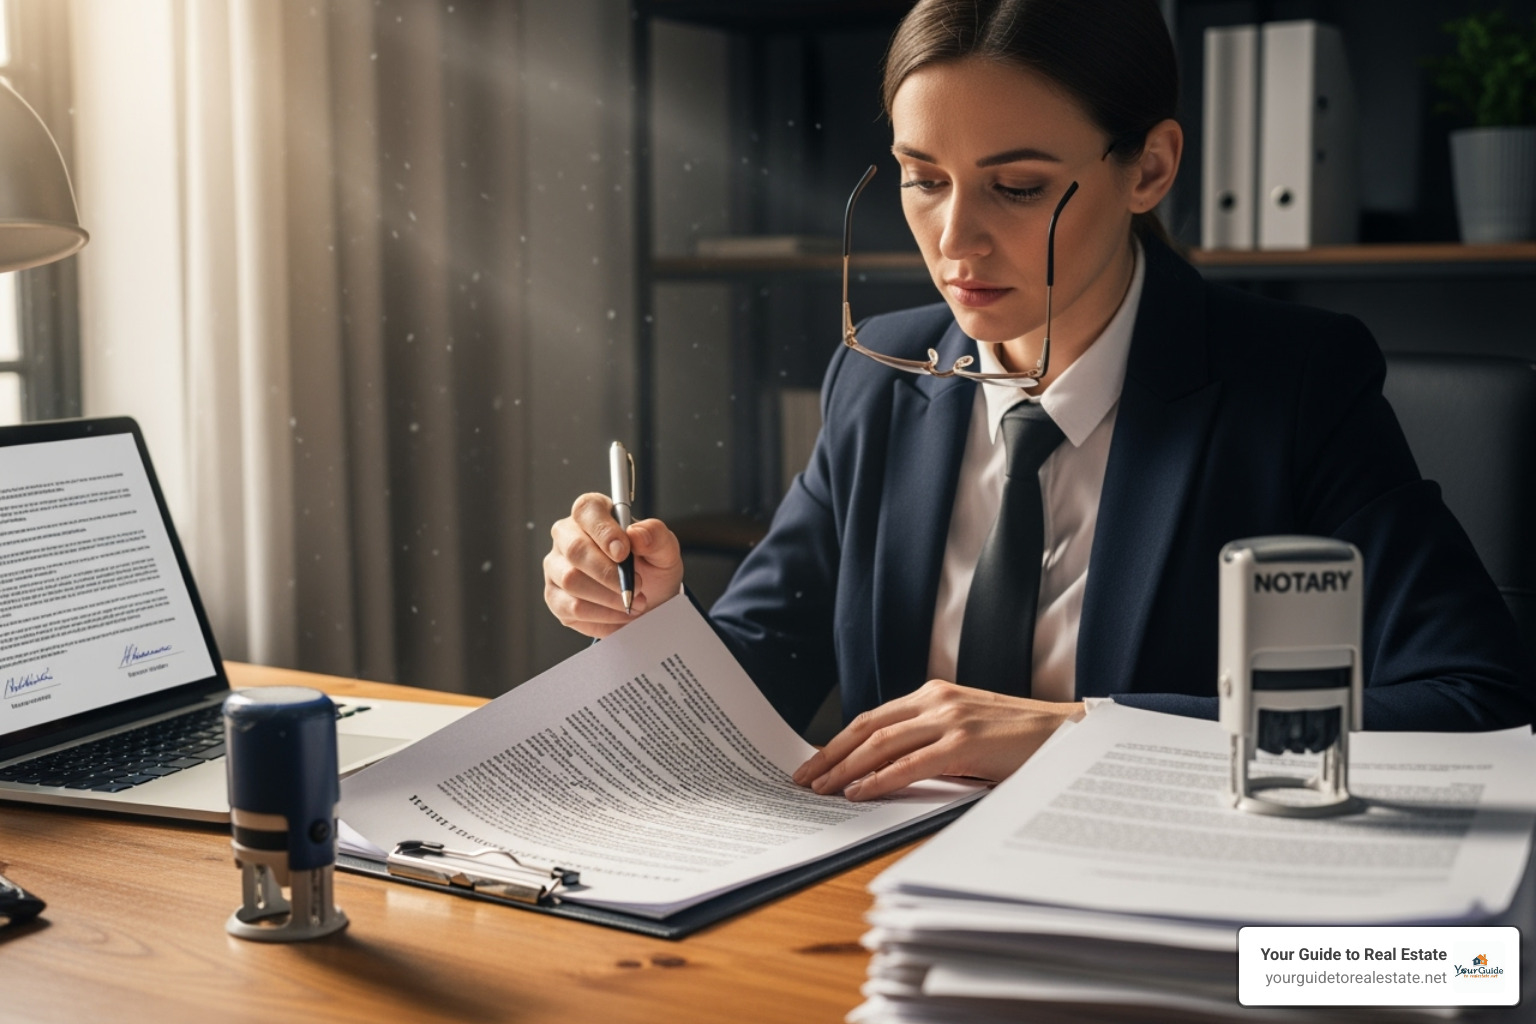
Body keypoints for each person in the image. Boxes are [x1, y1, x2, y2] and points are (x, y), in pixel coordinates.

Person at [544, 0, 1533, 802]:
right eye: (922, 180)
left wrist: (1073, 734)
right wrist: (652, 623)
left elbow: (1476, 704)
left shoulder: (1299, 382)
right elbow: (764, 671)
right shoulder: (878, 375)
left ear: (1149, 168)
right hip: (886, 906)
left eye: (1016, 187)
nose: (954, 242)